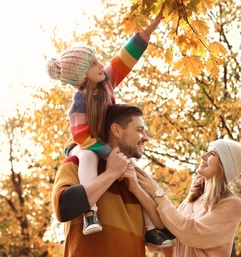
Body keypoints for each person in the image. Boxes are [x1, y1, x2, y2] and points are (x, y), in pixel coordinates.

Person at [46, 6, 171, 246]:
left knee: (134, 171)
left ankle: (150, 228)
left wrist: (152, 27)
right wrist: (109, 157)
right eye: (93, 64)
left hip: (107, 145)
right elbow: (82, 136)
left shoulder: (107, 80)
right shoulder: (79, 105)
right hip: (87, 146)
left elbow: (126, 56)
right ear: (83, 76)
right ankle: (90, 212)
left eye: (97, 60)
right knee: (88, 159)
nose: (100, 65)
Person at [52, 103, 174, 256]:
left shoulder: (139, 178)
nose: (146, 138)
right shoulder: (78, 163)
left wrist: (137, 189)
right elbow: (63, 208)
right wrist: (111, 174)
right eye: (139, 130)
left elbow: (169, 232)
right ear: (117, 130)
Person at [128, 139, 241, 256]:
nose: (203, 156)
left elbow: (191, 233)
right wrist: (137, 190)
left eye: (212, 154)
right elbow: (168, 231)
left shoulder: (232, 205)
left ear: (224, 166)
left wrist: (157, 192)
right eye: (207, 151)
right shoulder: (190, 201)